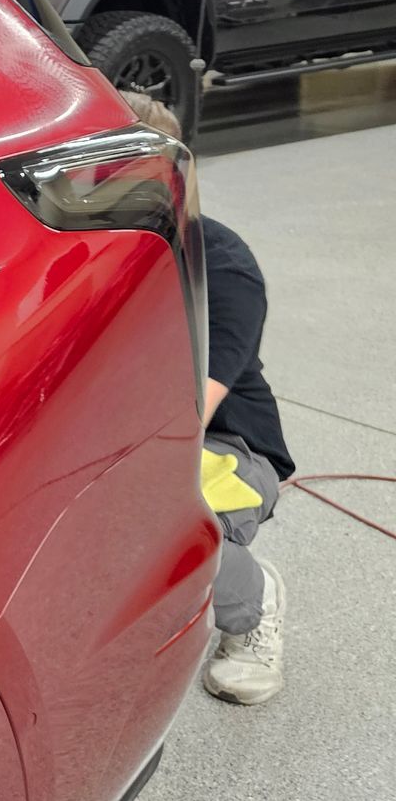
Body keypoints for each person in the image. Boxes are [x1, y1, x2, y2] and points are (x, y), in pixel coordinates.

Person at [120, 89, 294, 704]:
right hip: (118, 435)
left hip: (226, 445)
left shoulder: (218, 262)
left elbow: (194, 410)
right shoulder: (81, 256)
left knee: (146, 503)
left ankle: (250, 604)